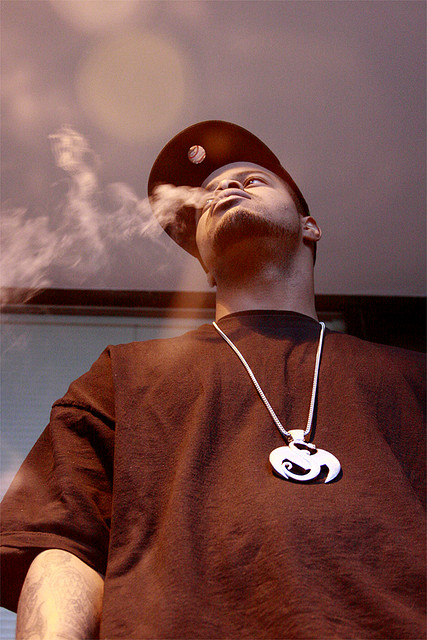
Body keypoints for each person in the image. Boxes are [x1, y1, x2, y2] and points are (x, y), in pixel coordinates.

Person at [1, 121, 425, 639]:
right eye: (207, 195)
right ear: (204, 262)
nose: (225, 187)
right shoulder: (122, 376)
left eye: (252, 180)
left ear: (310, 227)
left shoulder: (413, 379)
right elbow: (62, 551)